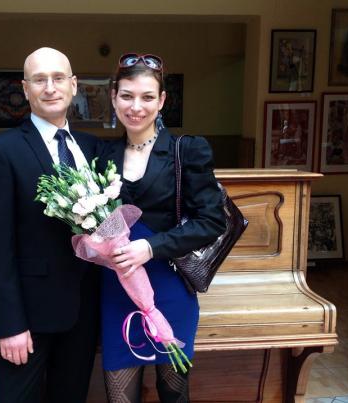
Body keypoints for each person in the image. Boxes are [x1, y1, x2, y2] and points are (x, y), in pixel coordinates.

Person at [98, 53, 226, 402]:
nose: (136, 106)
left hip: (170, 284)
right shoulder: (101, 154)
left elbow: (211, 221)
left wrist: (151, 247)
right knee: (120, 396)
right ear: (113, 97)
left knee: (173, 392)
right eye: (127, 96)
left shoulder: (188, 150)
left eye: (147, 97)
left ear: (162, 100)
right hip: (117, 288)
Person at [0, 47, 100, 403]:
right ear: (25, 88)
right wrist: (10, 324)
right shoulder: (1, 150)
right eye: (39, 79)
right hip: (30, 315)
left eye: (58, 78)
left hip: (83, 311)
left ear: (73, 85)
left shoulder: (92, 147)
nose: (50, 87)